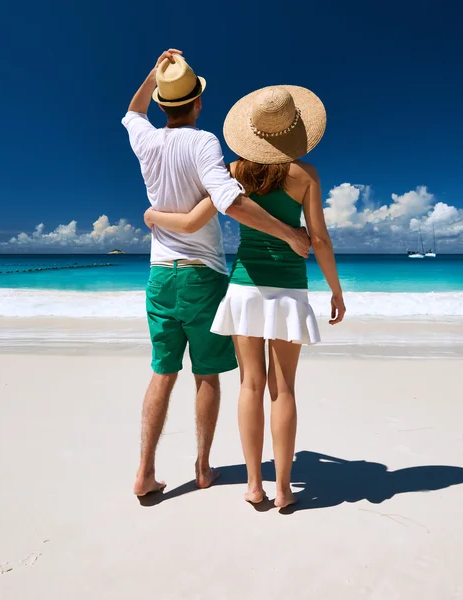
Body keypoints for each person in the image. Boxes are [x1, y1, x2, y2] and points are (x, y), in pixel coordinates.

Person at [144, 85, 346, 507]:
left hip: (243, 288)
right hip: (290, 289)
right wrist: (335, 290)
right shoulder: (305, 175)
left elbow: (191, 221)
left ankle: (254, 484)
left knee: (250, 385)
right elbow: (320, 240)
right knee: (284, 389)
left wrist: (152, 215)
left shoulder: (234, 172)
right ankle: (285, 488)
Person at [122, 51, 311, 498]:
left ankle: (145, 471)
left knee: (162, 372)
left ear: (164, 103)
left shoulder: (144, 140)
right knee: (206, 375)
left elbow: (132, 112)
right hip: (201, 275)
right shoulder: (204, 143)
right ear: (199, 103)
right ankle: (203, 468)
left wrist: (154, 75)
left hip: (158, 276)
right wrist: (288, 233)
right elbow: (229, 200)